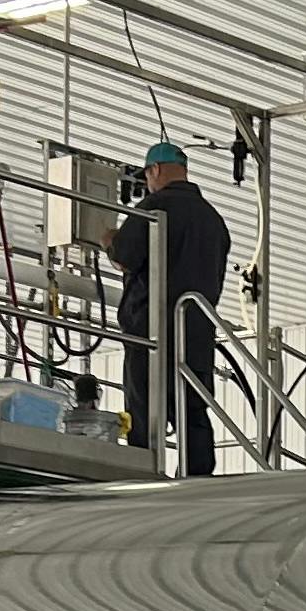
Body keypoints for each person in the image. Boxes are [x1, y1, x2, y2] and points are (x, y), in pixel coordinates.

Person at [109, 140, 233, 476]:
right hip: (196, 331)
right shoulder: (213, 220)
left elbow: (125, 256)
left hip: (151, 328)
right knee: (192, 409)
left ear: (155, 170)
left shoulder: (154, 206)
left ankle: (142, 473)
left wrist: (108, 239)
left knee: (144, 407)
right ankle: (198, 476)